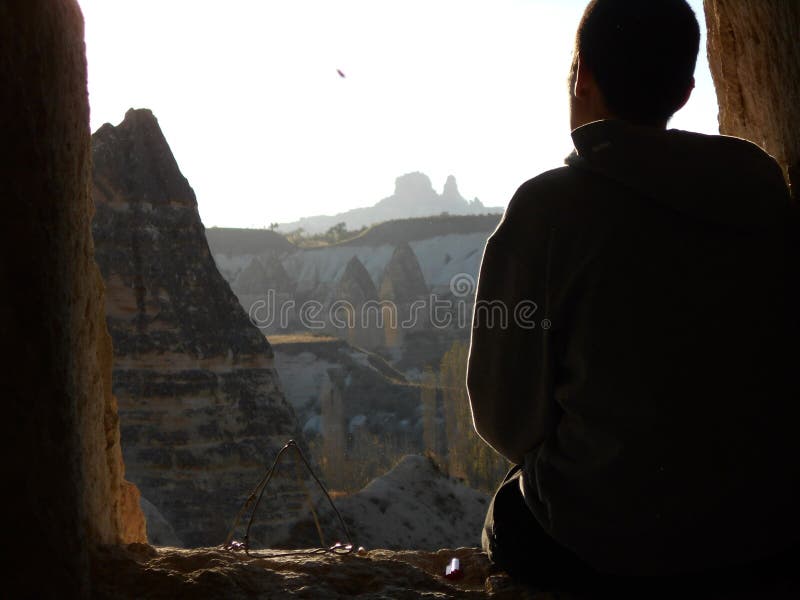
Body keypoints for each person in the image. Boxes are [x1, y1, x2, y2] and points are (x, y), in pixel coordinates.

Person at [466, 0, 800, 591]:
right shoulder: (761, 187)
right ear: (687, 89)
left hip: (607, 545)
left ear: (582, 77)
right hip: (764, 533)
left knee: (509, 515)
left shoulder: (547, 210)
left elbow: (504, 418)